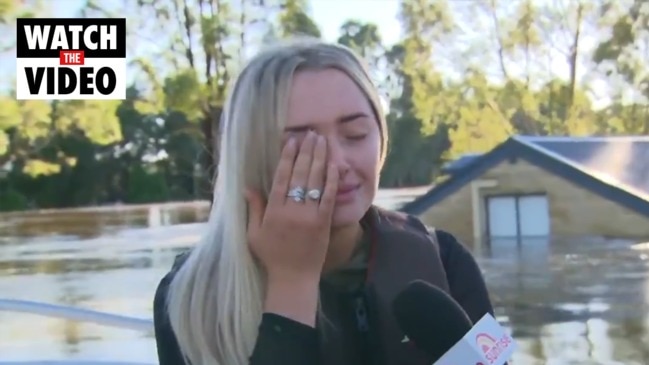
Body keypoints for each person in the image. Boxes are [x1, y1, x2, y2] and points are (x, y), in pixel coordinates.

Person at [153, 39, 497, 365]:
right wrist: (291, 283)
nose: (338, 163)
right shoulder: (189, 296)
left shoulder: (446, 259)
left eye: (356, 135)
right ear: (251, 156)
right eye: (303, 145)